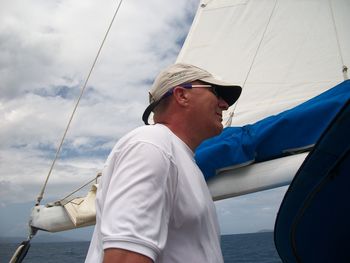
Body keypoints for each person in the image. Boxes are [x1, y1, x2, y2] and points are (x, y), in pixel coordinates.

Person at [85, 63, 242, 263]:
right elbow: (124, 258)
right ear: (182, 95)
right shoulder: (152, 144)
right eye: (216, 92)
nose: (225, 105)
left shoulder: (177, 156)